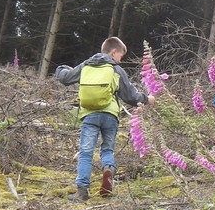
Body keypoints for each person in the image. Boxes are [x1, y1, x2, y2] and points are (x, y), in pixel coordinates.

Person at [55, 37, 155, 200]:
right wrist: (147, 99)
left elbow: (66, 78)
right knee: (107, 149)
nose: (120, 61)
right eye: (120, 57)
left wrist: (60, 68)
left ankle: (82, 192)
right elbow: (130, 96)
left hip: (89, 115)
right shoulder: (116, 69)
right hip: (110, 116)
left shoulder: (86, 65)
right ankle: (108, 168)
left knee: (86, 153)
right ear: (114, 52)